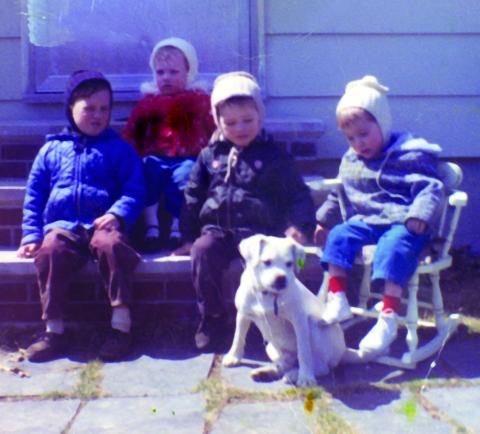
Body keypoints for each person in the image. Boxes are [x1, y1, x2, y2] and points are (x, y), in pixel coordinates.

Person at [172, 71, 316, 351]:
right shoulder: (209, 156)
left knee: (272, 263)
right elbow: (193, 195)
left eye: (247, 120)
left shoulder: (274, 156)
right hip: (218, 232)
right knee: (202, 252)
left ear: (260, 118)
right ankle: (213, 317)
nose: (240, 128)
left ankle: (274, 320)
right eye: (231, 122)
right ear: (218, 122)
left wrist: (299, 225)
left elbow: (298, 194)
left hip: (260, 234)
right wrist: (188, 237)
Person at [17, 70, 146, 362]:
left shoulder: (119, 149)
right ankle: (54, 331)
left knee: (111, 247)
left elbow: (135, 190)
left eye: (104, 109)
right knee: (50, 251)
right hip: (62, 225)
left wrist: (117, 214)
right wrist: (31, 236)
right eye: (89, 108)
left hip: (103, 223)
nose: (97, 115)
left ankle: (121, 327)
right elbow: (34, 197)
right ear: (71, 109)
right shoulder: (51, 150)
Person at [315, 75, 444, 357]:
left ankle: (388, 317)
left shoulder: (408, 155)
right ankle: (337, 297)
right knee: (339, 235)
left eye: (364, 134)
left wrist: (419, 215)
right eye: (351, 138)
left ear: (382, 124)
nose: (358, 143)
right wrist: (324, 220)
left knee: (393, 246)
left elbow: (430, 187)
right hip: (366, 222)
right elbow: (339, 193)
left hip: (403, 223)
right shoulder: (351, 160)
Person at [124, 37, 215, 251]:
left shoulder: (199, 100)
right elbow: (132, 130)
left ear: (188, 73)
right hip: (155, 156)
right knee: (148, 172)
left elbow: (214, 129)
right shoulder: (148, 103)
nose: (166, 78)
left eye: (173, 72)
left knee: (184, 177)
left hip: (188, 156)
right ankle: (151, 226)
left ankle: (176, 226)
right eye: (160, 72)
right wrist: (128, 153)